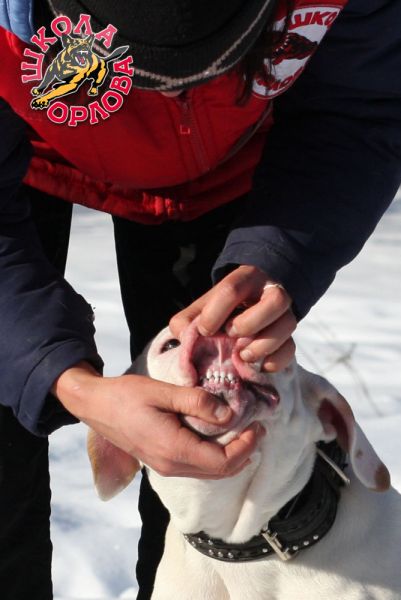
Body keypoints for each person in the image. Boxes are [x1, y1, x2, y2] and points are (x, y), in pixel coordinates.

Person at [0, 0, 400, 598]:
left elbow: (359, 105)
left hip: (234, 162)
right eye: (154, 76)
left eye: (222, 60)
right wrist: (71, 385)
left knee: (206, 485)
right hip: (29, 149)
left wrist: (279, 256)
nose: (171, 97)